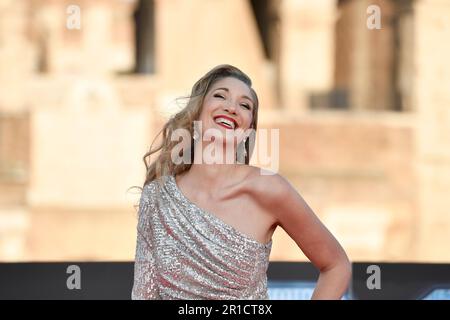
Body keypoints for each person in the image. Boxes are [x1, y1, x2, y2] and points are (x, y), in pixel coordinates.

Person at [131, 64, 351, 300]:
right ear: (197, 111)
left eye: (245, 105)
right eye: (220, 96)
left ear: (248, 130)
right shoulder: (157, 196)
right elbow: (144, 294)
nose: (231, 107)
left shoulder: (269, 188)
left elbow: (336, 266)